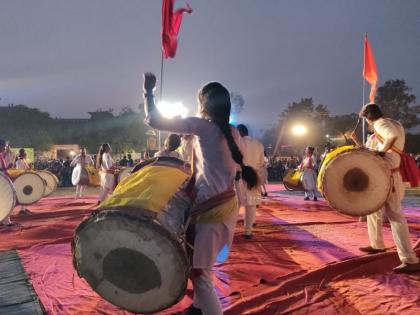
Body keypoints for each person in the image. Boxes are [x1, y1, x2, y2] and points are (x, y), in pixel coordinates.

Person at [143, 73, 258, 315]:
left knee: (200, 274)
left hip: (211, 210)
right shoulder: (233, 132)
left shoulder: (203, 127)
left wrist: (149, 91)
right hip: (225, 206)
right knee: (200, 267)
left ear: (203, 104)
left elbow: (153, 120)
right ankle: (197, 308)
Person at [351, 103, 420, 273]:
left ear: (368, 118)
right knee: (373, 210)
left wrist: (380, 152)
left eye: (366, 120)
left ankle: (410, 259)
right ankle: (377, 244)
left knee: (395, 216)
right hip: (385, 176)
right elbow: (370, 150)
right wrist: (357, 141)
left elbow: (391, 139)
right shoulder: (392, 123)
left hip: (388, 177)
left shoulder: (381, 124)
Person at [237, 124, 264, 239]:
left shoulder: (238, 143)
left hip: (239, 176)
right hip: (253, 176)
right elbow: (261, 162)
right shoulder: (258, 144)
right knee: (251, 205)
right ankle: (248, 231)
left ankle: (229, 231)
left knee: (235, 204)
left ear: (239, 133)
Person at [0, 139, 16, 226]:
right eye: (4, 146)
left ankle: (6, 220)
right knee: (6, 199)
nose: (6, 148)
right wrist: (6, 168)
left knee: (6, 199)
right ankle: (6, 221)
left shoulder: (1, 155)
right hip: (1, 181)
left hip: (3, 180)